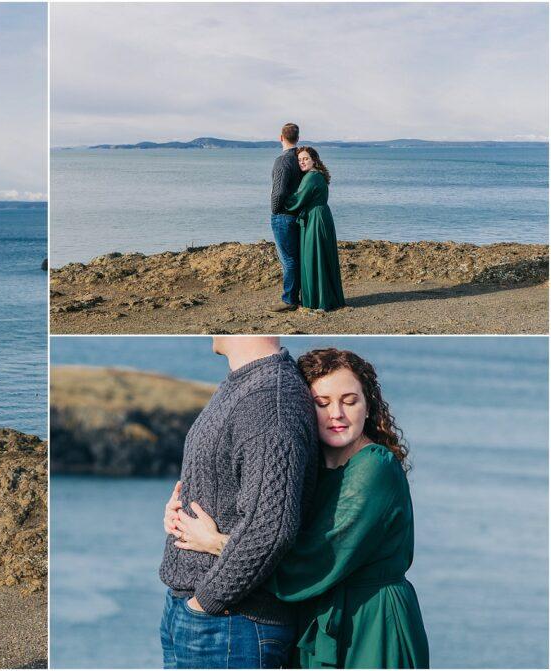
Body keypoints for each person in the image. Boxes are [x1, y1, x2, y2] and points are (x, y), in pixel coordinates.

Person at [172, 348, 429, 668]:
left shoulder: (375, 468)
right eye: (322, 404)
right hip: (315, 616)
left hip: (370, 624)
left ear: (368, 406)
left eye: (350, 401)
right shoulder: (313, 468)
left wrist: (216, 542)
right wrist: (181, 513)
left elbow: (314, 562)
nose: (337, 413)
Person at [159, 336, 319, 668]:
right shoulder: (245, 382)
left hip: (232, 622)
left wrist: (206, 602)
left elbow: (271, 528)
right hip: (201, 616)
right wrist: (178, 511)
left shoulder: (269, 399)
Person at [285, 147, 345, 311]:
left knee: (314, 257)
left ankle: (318, 301)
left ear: (314, 160)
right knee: (321, 257)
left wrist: (280, 200)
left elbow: (298, 200)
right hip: (319, 215)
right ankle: (326, 297)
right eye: (299, 160)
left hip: (315, 219)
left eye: (305, 159)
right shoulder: (317, 176)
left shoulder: (311, 177)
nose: (302, 162)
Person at [268, 122, 304, 313]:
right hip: (297, 214)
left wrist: (274, 210)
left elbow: (279, 191)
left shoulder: (282, 160)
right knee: (296, 258)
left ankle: (289, 299)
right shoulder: (300, 159)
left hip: (283, 215)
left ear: (281, 138)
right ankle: (299, 296)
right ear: (297, 138)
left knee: (288, 259)